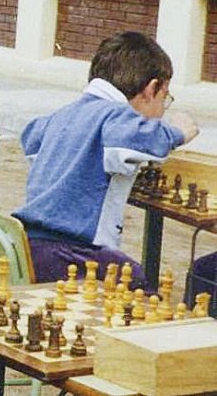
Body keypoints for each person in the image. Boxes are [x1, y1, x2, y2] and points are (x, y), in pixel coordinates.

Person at [14, 32, 198, 290]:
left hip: (29, 244)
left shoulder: (63, 114)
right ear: (150, 89)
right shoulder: (115, 116)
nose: (162, 108)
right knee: (137, 284)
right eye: (164, 97)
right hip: (72, 249)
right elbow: (133, 137)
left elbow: (31, 138)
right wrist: (178, 132)